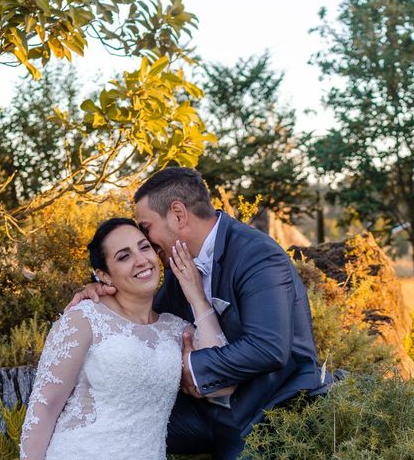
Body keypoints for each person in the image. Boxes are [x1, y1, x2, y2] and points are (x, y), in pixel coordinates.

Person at [68, 167, 329, 460]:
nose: (147, 240)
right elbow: (144, 318)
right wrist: (101, 295)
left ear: (178, 215)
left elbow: (267, 348)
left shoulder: (257, 255)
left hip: (271, 412)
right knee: (114, 431)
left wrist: (190, 368)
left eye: (146, 227)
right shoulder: (180, 262)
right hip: (207, 413)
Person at [19, 218, 234, 460]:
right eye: (124, 256)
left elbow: (224, 385)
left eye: (144, 247)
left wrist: (197, 297)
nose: (141, 260)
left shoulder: (175, 330)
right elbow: (44, 407)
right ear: (103, 275)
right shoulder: (84, 318)